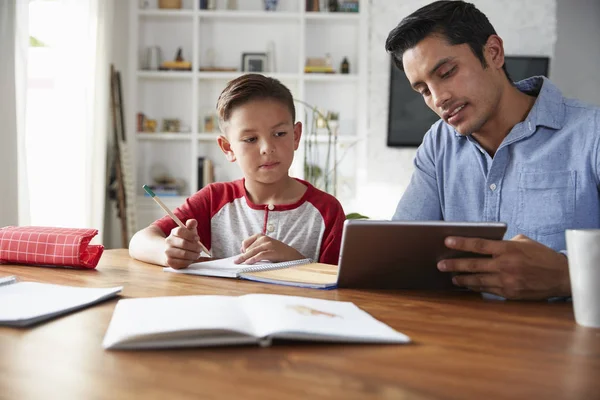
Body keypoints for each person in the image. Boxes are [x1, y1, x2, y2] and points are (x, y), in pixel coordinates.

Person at [385, 0, 600, 300]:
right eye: (423, 90)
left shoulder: (593, 133)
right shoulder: (437, 144)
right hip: (464, 338)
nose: (438, 99)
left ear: (493, 53)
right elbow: (400, 254)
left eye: (446, 72)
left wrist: (568, 277)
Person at [129, 74, 346, 269]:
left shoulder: (327, 211)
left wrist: (294, 260)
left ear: (296, 135)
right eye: (250, 139)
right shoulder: (213, 200)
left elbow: (341, 286)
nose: (266, 148)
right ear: (228, 148)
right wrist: (167, 252)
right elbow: (139, 241)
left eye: (279, 133)